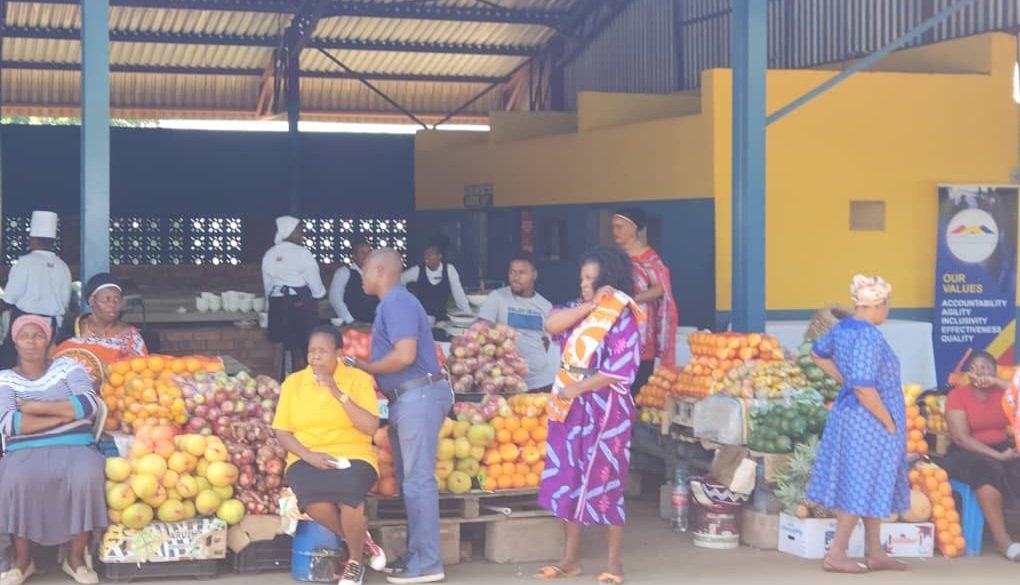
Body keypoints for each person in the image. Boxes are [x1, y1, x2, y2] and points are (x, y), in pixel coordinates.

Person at [535, 246, 642, 585]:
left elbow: (619, 370)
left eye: (591, 280)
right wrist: (591, 304)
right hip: (571, 408)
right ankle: (570, 560)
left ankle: (614, 561)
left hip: (607, 411)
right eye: (582, 277)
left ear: (608, 281)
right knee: (569, 475)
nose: (584, 283)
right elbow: (551, 324)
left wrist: (577, 389)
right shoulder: (578, 309)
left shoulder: (624, 315)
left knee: (607, 478)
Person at [352, 248, 453, 585]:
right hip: (407, 398)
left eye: (364, 270)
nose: (361, 276)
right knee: (411, 481)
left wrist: (365, 367)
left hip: (418, 395)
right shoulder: (392, 304)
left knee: (418, 481)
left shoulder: (397, 302)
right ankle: (416, 554)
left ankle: (427, 563)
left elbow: (405, 355)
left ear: (380, 270)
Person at [806, 274, 909, 573]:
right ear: (877, 305)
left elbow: (817, 353)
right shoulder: (868, 336)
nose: (888, 311)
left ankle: (875, 551)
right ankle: (836, 553)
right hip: (868, 420)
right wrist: (888, 421)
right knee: (861, 483)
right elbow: (865, 387)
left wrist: (843, 380)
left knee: (872, 481)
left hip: (851, 415)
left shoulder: (843, 328)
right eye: (887, 305)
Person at [272, 325, 385, 585]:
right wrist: (308, 455)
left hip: (354, 454)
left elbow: (370, 427)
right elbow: (282, 430)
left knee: (350, 498)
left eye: (323, 351)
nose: (315, 357)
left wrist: (336, 391)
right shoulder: (294, 383)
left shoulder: (357, 380)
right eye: (312, 351)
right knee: (315, 503)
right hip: (306, 456)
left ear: (338, 353)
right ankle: (359, 542)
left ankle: (355, 562)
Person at [0, 315, 106, 585]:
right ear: (15, 341)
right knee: (16, 479)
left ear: (48, 339)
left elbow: (89, 406)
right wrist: (64, 414)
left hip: (76, 444)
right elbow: (11, 423)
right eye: (25, 336)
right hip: (24, 449)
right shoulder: (5, 379)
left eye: (38, 335)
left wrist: (36, 408)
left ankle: (76, 558)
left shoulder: (68, 367)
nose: (31, 342)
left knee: (86, 475)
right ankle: (23, 561)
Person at [944, 350, 1020, 560]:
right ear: (968, 373)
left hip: (1003, 447)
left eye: (986, 369)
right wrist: (998, 457)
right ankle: (1002, 540)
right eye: (975, 369)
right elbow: (961, 438)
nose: (980, 373)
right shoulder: (958, 396)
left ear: (994, 372)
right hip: (967, 452)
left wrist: (996, 382)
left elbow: (1018, 391)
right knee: (986, 469)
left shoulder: (1002, 393)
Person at [612, 208, 678, 395]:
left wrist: (631, 299)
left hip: (641, 324)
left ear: (633, 228)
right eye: (613, 227)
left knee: (639, 381)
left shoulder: (648, 257)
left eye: (620, 227)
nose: (615, 231)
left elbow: (659, 290)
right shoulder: (614, 256)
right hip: (616, 321)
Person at [0, 211, 72, 369]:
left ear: (33, 240)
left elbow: (10, 298)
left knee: (19, 366)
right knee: (44, 366)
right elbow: (65, 301)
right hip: (52, 327)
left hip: (24, 325)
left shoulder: (25, 262)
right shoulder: (62, 266)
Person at [52, 273, 147, 387]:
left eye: (117, 300)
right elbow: (55, 362)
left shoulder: (130, 336)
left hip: (113, 396)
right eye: (106, 300)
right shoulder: (72, 327)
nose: (112, 304)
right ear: (92, 300)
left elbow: (141, 372)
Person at [478, 252, 555, 391]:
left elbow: (547, 341)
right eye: (512, 272)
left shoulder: (546, 306)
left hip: (541, 381)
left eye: (521, 273)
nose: (515, 278)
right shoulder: (497, 298)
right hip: (507, 382)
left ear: (534, 275)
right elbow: (481, 333)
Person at [262, 216, 327, 373]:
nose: (302, 234)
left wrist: (268, 307)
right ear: (288, 232)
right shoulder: (303, 253)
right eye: (299, 231)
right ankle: (313, 380)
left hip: (278, 306)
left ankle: (282, 378)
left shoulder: (269, 254)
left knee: (283, 346)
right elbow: (315, 284)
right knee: (308, 346)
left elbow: (268, 286)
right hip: (300, 306)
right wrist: (319, 294)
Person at [401, 237, 470, 322]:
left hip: (442, 318)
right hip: (422, 318)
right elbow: (399, 281)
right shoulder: (417, 270)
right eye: (426, 254)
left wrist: (468, 313)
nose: (427, 257)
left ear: (439, 256)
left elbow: (458, 294)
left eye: (430, 254)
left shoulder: (449, 269)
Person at [329, 237, 379, 325]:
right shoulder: (344, 272)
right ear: (354, 256)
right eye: (363, 253)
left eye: (369, 253)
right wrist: (351, 321)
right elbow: (335, 298)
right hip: (352, 325)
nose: (367, 256)